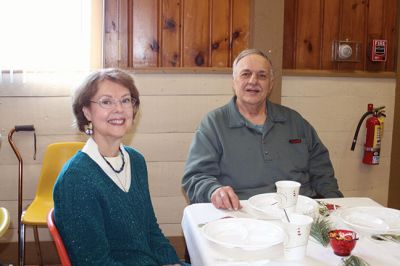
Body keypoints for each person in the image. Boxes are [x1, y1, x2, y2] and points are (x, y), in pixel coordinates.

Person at [182, 48, 343, 211]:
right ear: (234, 81)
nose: (253, 81)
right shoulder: (214, 124)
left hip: (299, 212)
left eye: (262, 75)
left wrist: (333, 204)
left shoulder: (295, 121)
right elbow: (195, 177)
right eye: (245, 74)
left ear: (271, 84)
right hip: (241, 214)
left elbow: (322, 170)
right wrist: (214, 191)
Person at [53, 68, 184, 265]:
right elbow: (94, 262)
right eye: (106, 102)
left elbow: (151, 229)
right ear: (86, 111)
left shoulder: (136, 160)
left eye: (125, 100)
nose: (119, 109)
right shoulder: (75, 180)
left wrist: (172, 262)